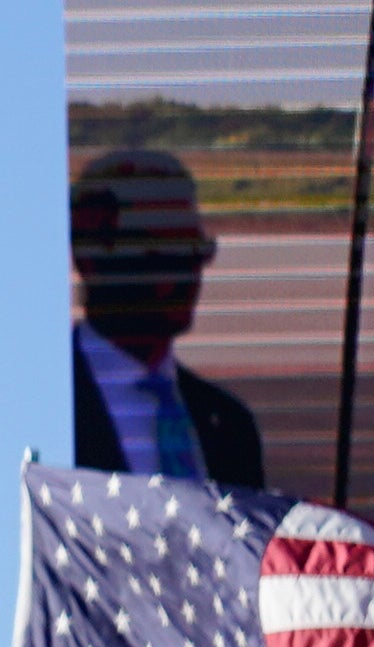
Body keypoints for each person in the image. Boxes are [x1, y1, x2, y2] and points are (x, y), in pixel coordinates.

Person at [73, 146, 267, 488]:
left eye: (196, 251)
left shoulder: (230, 427)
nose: (188, 274)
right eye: (164, 251)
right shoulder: (49, 408)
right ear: (90, 259)